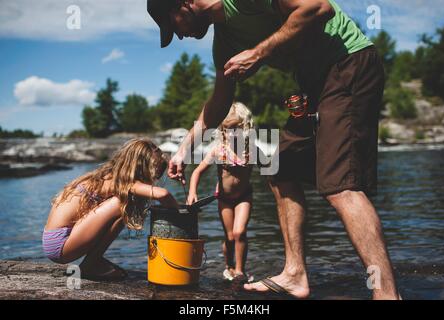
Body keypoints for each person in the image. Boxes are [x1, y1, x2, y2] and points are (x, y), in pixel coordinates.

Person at [147, 0, 401, 299]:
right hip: (314, 85)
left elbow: (319, 7)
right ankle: (295, 274)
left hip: (347, 63)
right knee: (279, 166)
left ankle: (386, 293)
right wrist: (184, 150)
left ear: (185, 4)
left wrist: (258, 52)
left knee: (340, 185)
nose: (178, 34)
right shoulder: (225, 40)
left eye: (173, 24)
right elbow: (220, 101)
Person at [43, 138, 178, 281]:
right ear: (142, 169)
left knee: (122, 209)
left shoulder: (107, 176)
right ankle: (89, 265)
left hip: (58, 241)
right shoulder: (121, 183)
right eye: (154, 176)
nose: (153, 180)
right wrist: (178, 213)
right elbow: (163, 194)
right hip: (61, 244)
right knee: (120, 203)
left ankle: (92, 263)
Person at [187, 102, 254, 282]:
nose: (231, 133)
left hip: (244, 197)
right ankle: (228, 266)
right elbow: (197, 172)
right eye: (227, 129)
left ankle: (240, 271)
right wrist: (192, 192)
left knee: (240, 232)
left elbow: (272, 171)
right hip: (224, 198)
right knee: (230, 236)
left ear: (245, 128)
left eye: (235, 129)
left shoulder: (251, 150)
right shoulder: (219, 150)